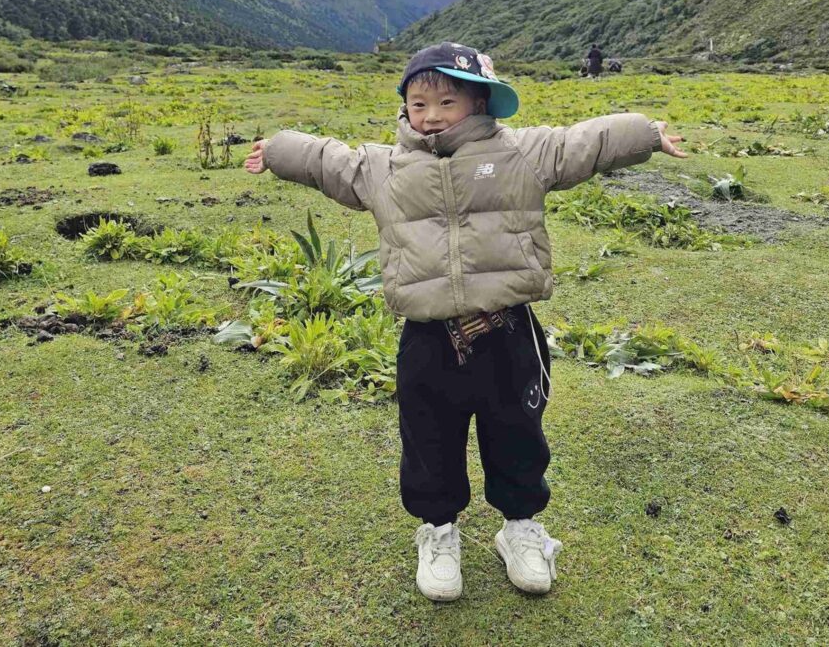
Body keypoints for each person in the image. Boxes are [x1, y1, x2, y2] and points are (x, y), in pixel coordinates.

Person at [244, 42, 687, 602]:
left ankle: (521, 529)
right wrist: (279, 149)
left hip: (508, 332)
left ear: (480, 102)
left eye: (447, 101)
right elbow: (331, 160)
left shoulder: (520, 153)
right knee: (428, 439)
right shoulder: (385, 167)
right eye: (418, 102)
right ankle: (438, 533)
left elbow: (583, 142)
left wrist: (646, 133)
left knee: (517, 434)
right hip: (427, 338)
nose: (430, 115)